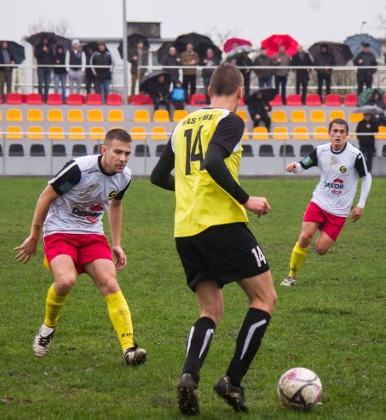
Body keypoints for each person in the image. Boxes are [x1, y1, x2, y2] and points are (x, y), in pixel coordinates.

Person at [150, 62, 276, 416]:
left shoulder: (183, 123)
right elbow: (213, 161)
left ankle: (189, 376)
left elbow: (159, 176)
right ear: (240, 93)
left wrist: (188, 189)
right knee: (265, 299)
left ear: (207, 91)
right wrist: (246, 199)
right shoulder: (232, 120)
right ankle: (232, 382)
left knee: (210, 311)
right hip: (221, 224)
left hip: (185, 231)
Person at [14, 128, 148, 365]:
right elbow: (46, 197)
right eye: (118, 152)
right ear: (104, 150)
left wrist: (116, 244)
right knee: (66, 281)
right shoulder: (78, 169)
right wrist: (34, 235)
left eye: (128, 153)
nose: (123, 158)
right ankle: (47, 329)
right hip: (59, 231)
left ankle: (129, 348)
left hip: (91, 234)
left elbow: (116, 205)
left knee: (110, 282)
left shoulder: (125, 176)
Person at [281, 118, 372, 287]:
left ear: (347, 134)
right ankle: (291, 276)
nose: (338, 135)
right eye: (335, 131)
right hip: (319, 202)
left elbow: (366, 178)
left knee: (321, 249)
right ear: (329, 133)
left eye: (342, 132)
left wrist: (361, 205)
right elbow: (302, 167)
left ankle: (324, 231)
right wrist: (294, 167)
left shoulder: (355, 155)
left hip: (339, 210)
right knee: (304, 237)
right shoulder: (320, 151)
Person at [34, 36, 55, 103]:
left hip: (48, 68)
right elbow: (36, 55)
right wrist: (42, 50)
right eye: (44, 39)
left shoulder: (50, 47)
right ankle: (40, 98)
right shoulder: (38, 47)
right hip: (41, 67)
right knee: (40, 83)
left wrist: (51, 65)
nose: (45, 40)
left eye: (46, 39)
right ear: (42, 40)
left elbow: (52, 57)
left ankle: (46, 98)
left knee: (47, 83)